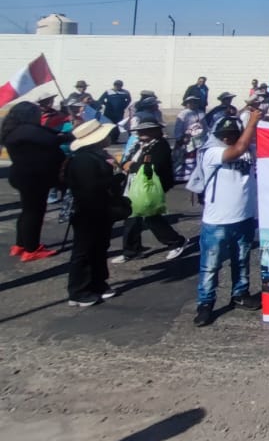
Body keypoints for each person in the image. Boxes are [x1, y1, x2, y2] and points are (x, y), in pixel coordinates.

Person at [193, 108, 263, 326]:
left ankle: (240, 293)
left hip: (244, 217)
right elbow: (239, 148)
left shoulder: (249, 149)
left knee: (242, 261)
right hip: (217, 221)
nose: (228, 138)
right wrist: (253, 120)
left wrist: (259, 122)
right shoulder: (211, 152)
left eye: (233, 134)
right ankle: (206, 303)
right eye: (224, 135)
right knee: (210, 265)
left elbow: (262, 143)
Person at [64, 119, 127, 307]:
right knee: (84, 251)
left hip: (100, 210)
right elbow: (89, 188)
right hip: (88, 212)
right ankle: (79, 291)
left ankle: (98, 283)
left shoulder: (97, 155)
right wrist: (116, 179)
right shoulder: (84, 160)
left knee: (99, 248)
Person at [116, 117, 187, 262]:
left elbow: (153, 165)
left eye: (147, 130)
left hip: (151, 185)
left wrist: (131, 166)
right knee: (132, 216)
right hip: (134, 184)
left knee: (150, 215)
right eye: (140, 130)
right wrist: (126, 164)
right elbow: (127, 159)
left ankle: (176, 241)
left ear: (156, 131)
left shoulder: (160, 146)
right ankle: (131, 250)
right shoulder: (139, 145)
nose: (142, 133)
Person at [2, 101, 65, 261]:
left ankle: (21, 244)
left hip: (22, 175)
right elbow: (52, 140)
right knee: (35, 213)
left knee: (27, 211)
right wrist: (71, 135)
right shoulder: (27, 130)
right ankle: (31, 249)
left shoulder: (13, 129)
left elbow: (47, 134)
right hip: (33, 178)